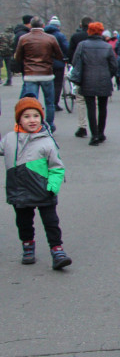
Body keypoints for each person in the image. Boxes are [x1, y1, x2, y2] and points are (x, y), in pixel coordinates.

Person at [0, 96, 70, 269]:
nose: (32, 120)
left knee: (51, 223)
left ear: (41, 118)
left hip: (43, 191)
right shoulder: (9, 139)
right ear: (19, 120)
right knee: (23, 222)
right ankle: (28, 245)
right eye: (26, 116)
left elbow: (57, 167)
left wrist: (52, 187)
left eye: (35, 116)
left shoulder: (47, 141)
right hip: (19, 191)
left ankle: (57, 250)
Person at [69, 22, 116, 145]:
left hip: (87, 80)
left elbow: (75, 61)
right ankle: (101, 133)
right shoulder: (107, 47)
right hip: (104, 80)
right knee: (103, 107)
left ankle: (94, 135)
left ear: (89, 31)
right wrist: (108, 75)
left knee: (91, 108)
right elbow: (113, 66)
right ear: (101, 32)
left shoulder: (82, 45)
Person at [14, 17, 62, 132]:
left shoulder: (24, 38)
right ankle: (49, 125)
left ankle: (31, 125)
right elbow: (59, 55)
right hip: (46, 73)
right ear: (43, 26)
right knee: (49, 102)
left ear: (30, 25)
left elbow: (18, 57)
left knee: (31, 102)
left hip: (30, 74)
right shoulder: (50, 38)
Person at [68, 17, 92, 137]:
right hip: (97, 73)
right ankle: (96, 126)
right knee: (95, 102)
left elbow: (71, 55)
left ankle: (82, 126)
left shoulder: (76, 37)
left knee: (81, 100)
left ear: (81, 25)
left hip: (81, 72)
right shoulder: (102, 40)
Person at [44, 16, 70, 113]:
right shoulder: (60, 35)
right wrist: (67, 57)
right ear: (58, 26)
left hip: (46, 63)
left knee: (47, 83)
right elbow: (66, 48)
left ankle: (48, 102)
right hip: (58, 63)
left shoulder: (43, 34)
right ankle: (55, 103)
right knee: (58, 84)